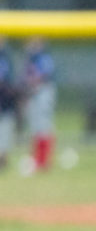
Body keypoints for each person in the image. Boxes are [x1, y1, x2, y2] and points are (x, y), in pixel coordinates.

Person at [22, 37, 57, 173]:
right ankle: (37, 159)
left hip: (43, 92)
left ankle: (44, 161)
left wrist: (31, 82)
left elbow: (43, 76)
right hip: (33, 94)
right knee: (35, 127)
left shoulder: (44, 57)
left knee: (44, 126)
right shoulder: (30, 58)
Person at [0, 38, 18, 171]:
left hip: (5, 100)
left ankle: (3, 158)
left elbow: (5, 80)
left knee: (5, 128)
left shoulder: (6, 56)